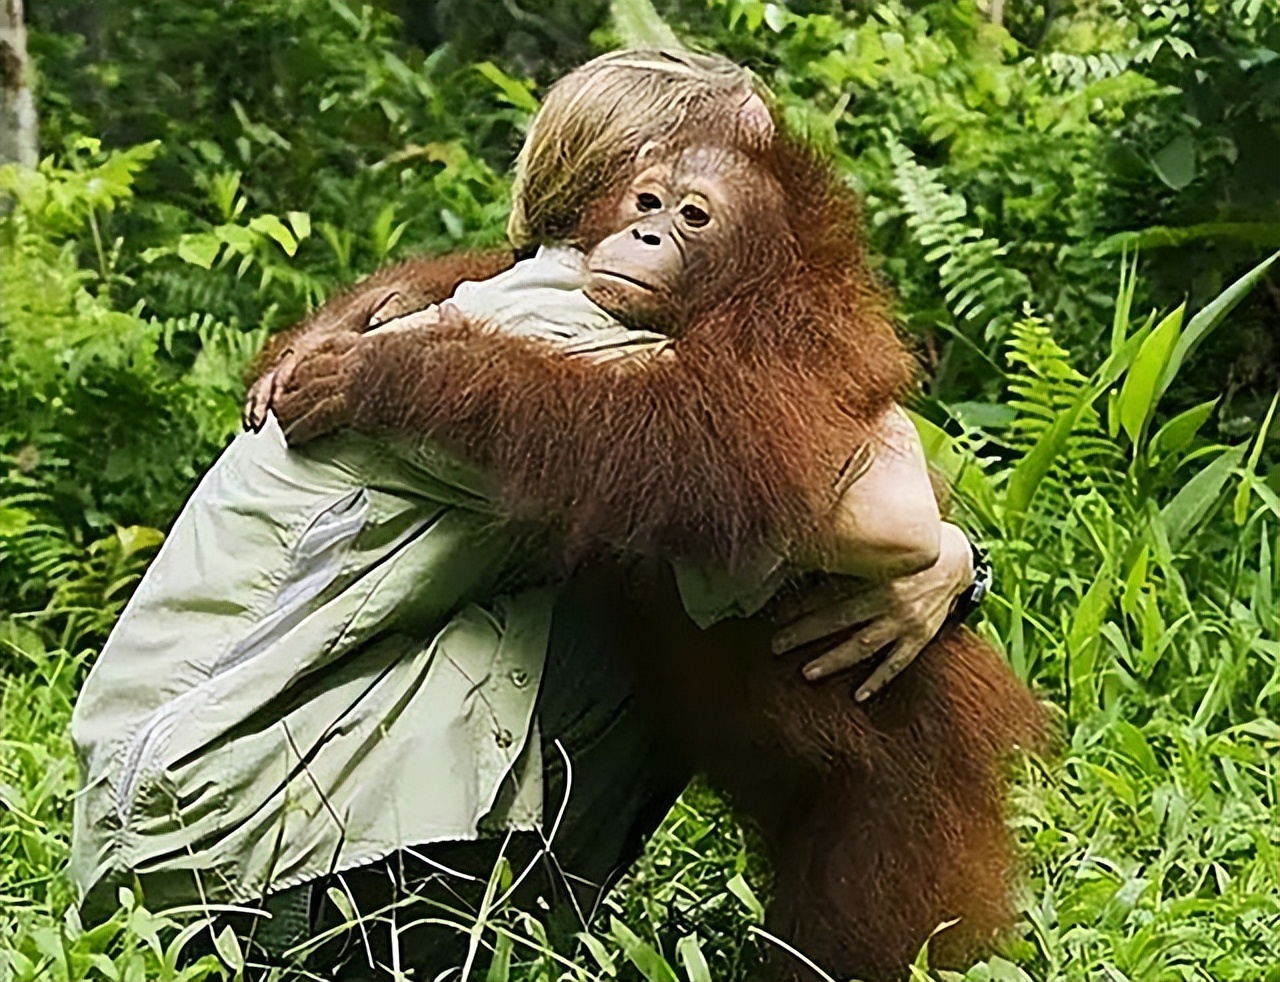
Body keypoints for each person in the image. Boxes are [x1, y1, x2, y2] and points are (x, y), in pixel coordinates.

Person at [69, 50, 983, 977]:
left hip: (179, 844)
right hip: (228, 874)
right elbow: (887, 515)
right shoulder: (546, 326)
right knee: (745, 567)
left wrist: (953, 561)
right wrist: (934, 549)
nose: (655, 238)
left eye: (707, 210)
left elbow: (834, 474)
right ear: (601, 185)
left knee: (724, 560)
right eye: (650, 202)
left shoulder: (508, 305)